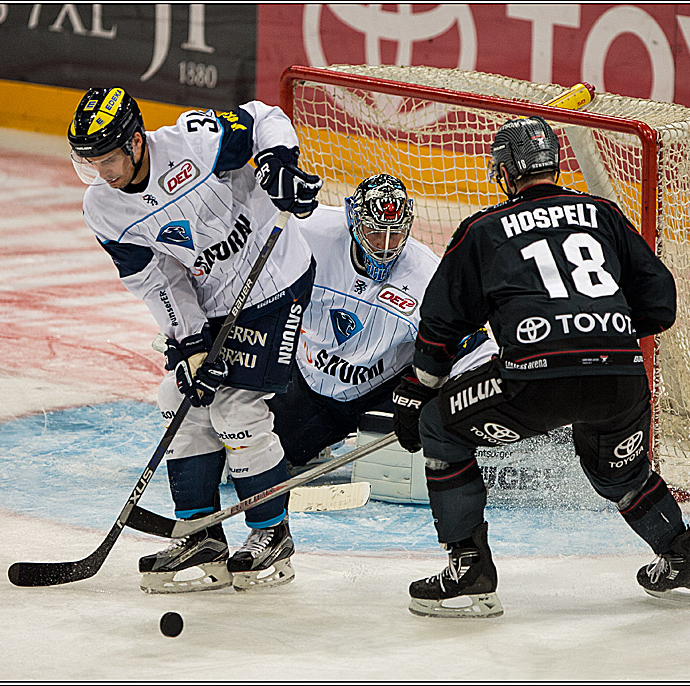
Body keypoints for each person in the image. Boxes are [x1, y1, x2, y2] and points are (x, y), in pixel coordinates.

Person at [392, 115, 690, 618]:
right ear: (554, 165)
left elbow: (440, 326)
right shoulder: (604, 214)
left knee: (440, 425)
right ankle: (683, 560)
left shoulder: (483, 230)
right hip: (620, 379)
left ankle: (469, 570)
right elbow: (661, 305)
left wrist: (418, 390)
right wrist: (598, 330)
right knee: (621, 474)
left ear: (505, 172)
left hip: (535, 384)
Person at [67, 87, 322, 593]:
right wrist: (190, 342)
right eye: (90, 161)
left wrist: (278, 162)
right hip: (215, 301)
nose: (102, 171)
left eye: (108, 157)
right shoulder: (103, 208)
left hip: (275, 278)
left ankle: (271, 533)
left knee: (235, 409)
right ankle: (200, 534)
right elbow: (155, 279)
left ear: (136, 142)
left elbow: (262, 117)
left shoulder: (193, 140)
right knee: (179, 397)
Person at [265, 174, 495, 500]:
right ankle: (311, 443)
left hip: (383, 394)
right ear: (353, 220)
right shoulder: (308, 231)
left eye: (396, 233)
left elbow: (473, 348)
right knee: (257, 454)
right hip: (306, 379)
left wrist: (487, 395)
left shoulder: (427, 276)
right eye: (375, 232)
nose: (386, 246)